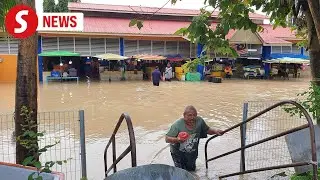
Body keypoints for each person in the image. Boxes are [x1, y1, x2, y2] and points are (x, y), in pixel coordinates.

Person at [165, 106, 224, 171]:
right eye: (189, 115)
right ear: (184, 115)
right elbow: (167, 139)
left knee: (192, 170)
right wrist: (178, 139)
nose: (192, 118)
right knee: (181, 171)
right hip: (178, 154)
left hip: (192, 153)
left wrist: (216, 131)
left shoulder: (200, 121)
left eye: (194, 115)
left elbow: (207, 130)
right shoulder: (177, 125)